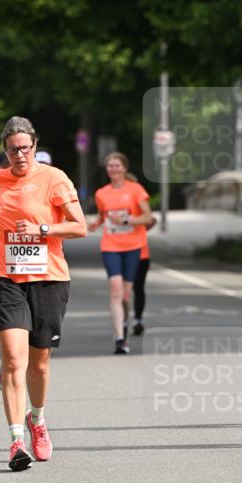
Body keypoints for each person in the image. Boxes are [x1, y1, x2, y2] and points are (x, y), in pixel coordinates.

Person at [0, 116, 87, 471]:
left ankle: (37, 418)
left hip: (48, 279)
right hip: (4, 278)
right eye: (12, 150)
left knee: (38, 363)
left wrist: (42, 228)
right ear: (4, 151)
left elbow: (79, 227)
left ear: (34, 146)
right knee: (14, 360)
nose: (19, 155)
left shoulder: (54, 179)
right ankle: (16, 441)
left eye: (24, 148)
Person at [89, 152, 153, 354]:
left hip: (133, 246)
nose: (113, 169)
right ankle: (119, 338)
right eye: (110, 166)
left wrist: (126, 221)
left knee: (126, 294)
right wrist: (94, 224)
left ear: (124, 168)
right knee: (115, 290)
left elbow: (147, 217)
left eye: (117, 165)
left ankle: (124, 322)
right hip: (111, 246)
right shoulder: (102, 193)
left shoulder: (135, 190)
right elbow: (103, 216)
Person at [131, 213, 157, 336]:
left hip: (141, 255)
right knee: (121, 290)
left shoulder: (137, 197)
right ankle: (122, 322)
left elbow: (152, 220)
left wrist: (139, 226)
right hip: (118, 253)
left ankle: (137, 320)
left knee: (138, 287)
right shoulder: (109, 198)